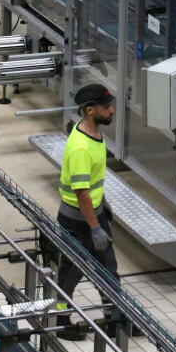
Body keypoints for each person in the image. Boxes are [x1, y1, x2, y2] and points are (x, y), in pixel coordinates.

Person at [55, 83, 119, 338]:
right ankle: (61, 321)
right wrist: (94, 228)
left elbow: (91, 185)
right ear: (90, 111)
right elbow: (81, 193)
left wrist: (102, 204)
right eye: (106, 107)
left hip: (94, 214)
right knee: (72, 270)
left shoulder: (95, 134)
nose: (112, 111)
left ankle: (115, 317)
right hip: (78, 221)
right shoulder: (80, 147)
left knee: (108, 267)